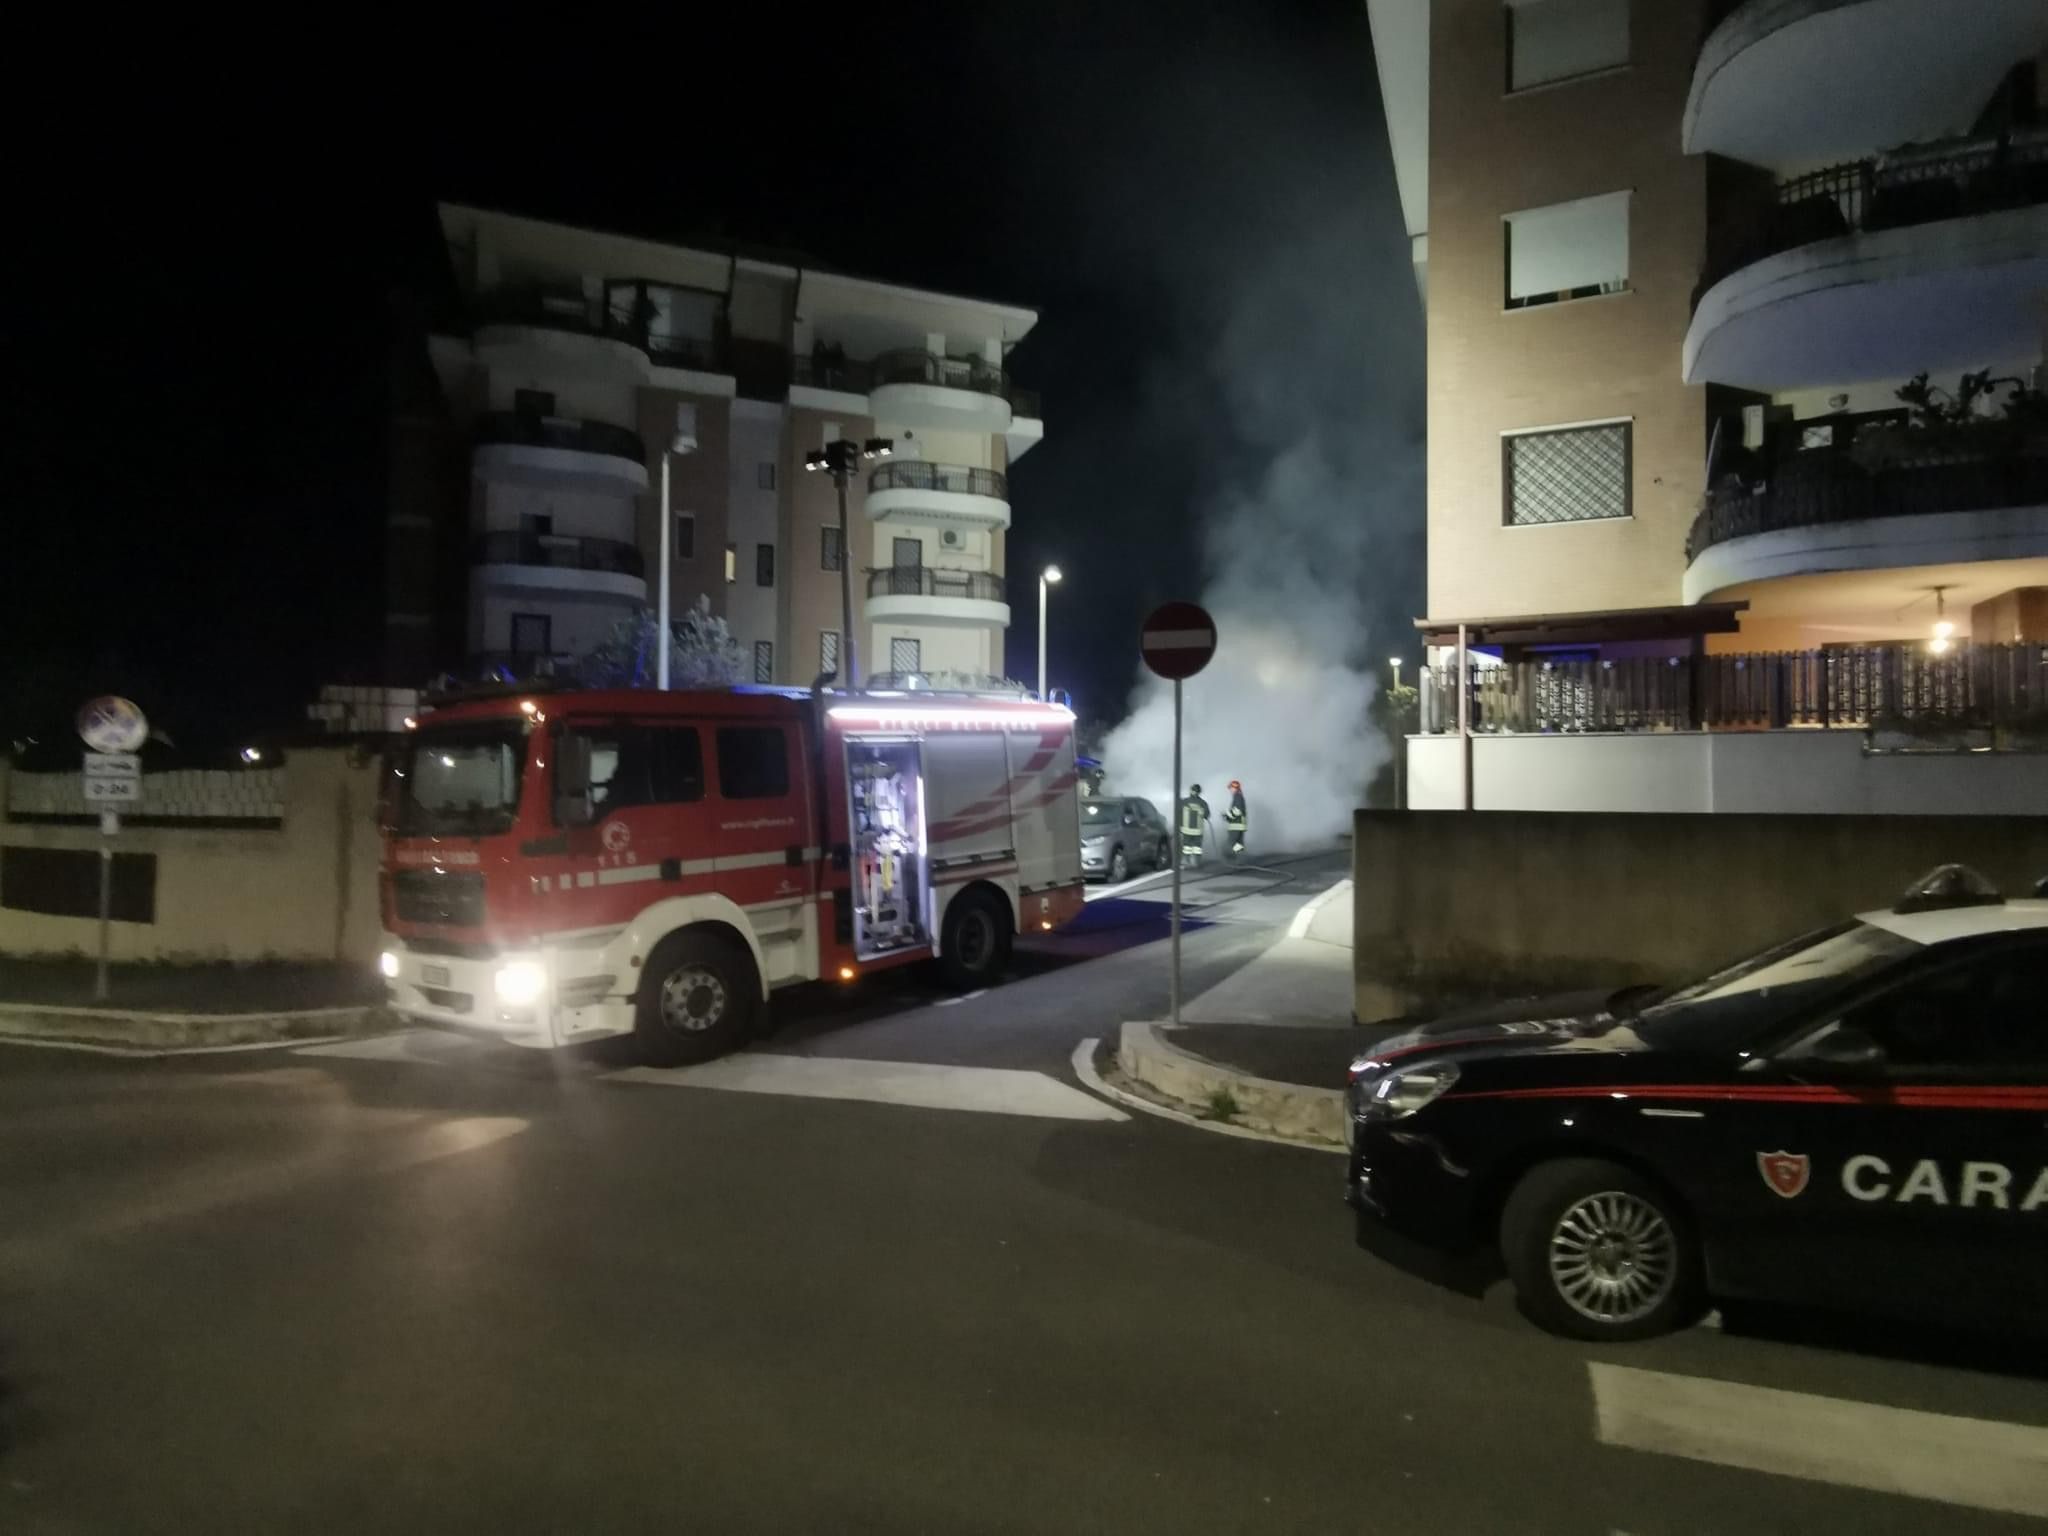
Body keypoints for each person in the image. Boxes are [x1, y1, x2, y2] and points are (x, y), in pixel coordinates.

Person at [1178, 783, 1210, 868]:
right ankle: (1196, 862)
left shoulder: (1184, 802)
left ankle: (1186, 861)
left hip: (1186, 829)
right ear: (1199, 792)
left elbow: (1179, 814)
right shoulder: (1203, 803)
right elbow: (1207, 815)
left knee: (1187, 846)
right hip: (1198, 831)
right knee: (1197, 847)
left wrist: (1179, 826)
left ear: (1191, 790)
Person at [1224, 780, 1247, 862]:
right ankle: (1240, 859)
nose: (1230, 790)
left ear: (1234, 788)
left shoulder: (1237, 797)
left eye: (1231, 788)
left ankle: (1241, 856)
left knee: (1232, 842)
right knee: (1239, 842)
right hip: (1240, 825)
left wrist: (1227, 815)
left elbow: (1237, 810)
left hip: (1236, 825)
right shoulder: (1239, 796)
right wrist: (1227, 814)